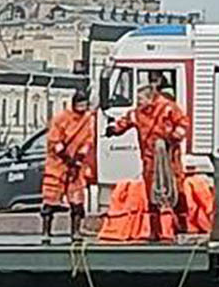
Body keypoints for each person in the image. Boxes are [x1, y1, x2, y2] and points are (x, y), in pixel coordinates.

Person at [106, 79, 190, 241]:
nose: (139, 102)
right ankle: (155, 230)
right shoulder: (137, 113)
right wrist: (113, 130)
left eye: (141, 99)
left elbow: (183, 123)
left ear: (150, 97)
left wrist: (173, 138)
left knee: (176, 190)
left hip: (169, 156)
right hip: (149, 159)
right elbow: (124, 122)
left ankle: (182, 227)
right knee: (152, 193)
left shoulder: (168, 108)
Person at [42, 90, 98, 242]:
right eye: (79, 104)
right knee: (50, 198)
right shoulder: (61, 119)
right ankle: (46, 232)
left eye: (84, 104)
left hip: (76, 165)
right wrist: (67, 158)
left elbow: (88, 141)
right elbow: (54, 141)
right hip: (57, 164)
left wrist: (78, 159)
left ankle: (76, 231)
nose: (82, 107)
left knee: (77, 199)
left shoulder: (87, 120)